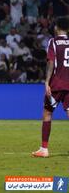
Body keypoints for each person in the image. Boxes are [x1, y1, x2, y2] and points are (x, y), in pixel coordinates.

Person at [32, 17, 69, 158]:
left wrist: (47, 81)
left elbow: (51, 62)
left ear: (56, 27)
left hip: (57, 84)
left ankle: (44, 149)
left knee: (47, 113)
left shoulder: (53, 42)